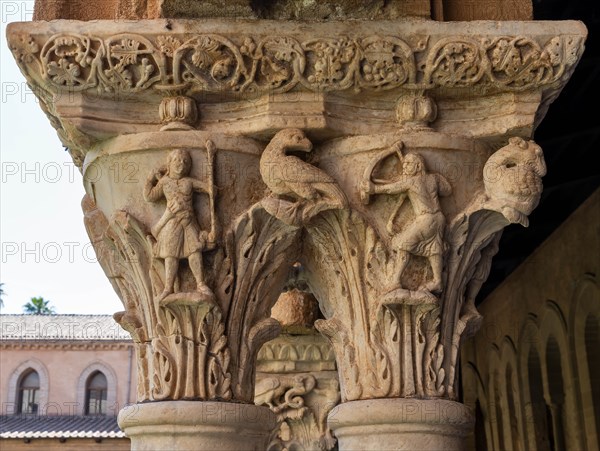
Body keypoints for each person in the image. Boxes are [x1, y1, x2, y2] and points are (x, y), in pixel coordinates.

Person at [363, 151, 452, 293]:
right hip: (439, 218)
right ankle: (437, 281)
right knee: (434, 247)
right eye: (403, 164)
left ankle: (396, 281)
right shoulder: (434, 178)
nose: (405, 166)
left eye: (408, 164)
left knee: (402, 244)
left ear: (418, 166)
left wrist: (374, 189)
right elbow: (447, 191)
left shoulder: (411, 182)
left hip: (425, 219)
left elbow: (391, 189)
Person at [144, 148, 212, 301]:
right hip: (171, 222)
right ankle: (168, 287)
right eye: (176, 160)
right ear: (169, 163)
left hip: (188, 221)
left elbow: (207, 188)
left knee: (194, 251)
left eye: (185, 161)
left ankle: (200, 283)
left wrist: (211, 188)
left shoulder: (189, 182)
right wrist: (150, 179)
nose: (181, 164)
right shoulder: (165, 182)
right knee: (170, 254)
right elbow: (149, 197)